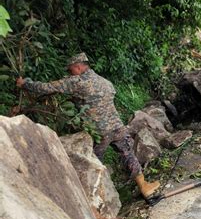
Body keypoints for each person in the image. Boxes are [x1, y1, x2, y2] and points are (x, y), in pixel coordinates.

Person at [16, 53, 161, 198]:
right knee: (128, 154)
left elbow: (46, 88)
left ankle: (94, 200)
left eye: (70, 69)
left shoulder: (77, 82)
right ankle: (144, 187)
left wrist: (25, 84)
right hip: (117, 127)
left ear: (78, 67)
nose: (69, 73)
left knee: (94, 165)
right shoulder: (105, 82)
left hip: (99, 132)